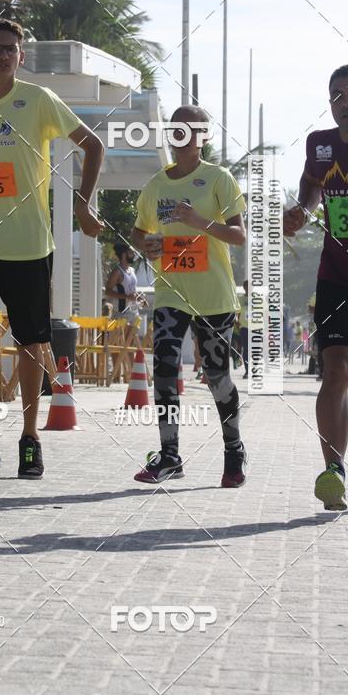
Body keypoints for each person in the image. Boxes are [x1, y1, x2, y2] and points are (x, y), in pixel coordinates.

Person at [0, 18, 104, 479]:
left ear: (21, 57)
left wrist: (83, 206)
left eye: (12, 49)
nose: (5, 55)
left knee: (31, 343)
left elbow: (93, 145)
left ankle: (30, 438)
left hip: (29, 243)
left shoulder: (40, 100)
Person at [130, 105, 247, 487]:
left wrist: (200, 222)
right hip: (171, 290)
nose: (183, 134)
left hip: (213, 294)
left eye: (191, 128)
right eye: (176, 128)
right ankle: (169, 455)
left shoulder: (219, 179)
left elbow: (238, 235)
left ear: (203, 136)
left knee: (216, 375)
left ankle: (233, 449)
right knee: (164, 365)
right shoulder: (156, 185)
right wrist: (146, 244)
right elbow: (138, 232)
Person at [284, 63, 348, 511]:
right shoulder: (319, 145)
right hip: (336, 277)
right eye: (337, 96)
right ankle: (334, 470)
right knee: (337, 372)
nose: (345, 103)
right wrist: (300, 212)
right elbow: (309, 189)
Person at [238, 279, 249, 379]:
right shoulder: (240, 299)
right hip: (244, 327)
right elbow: (236, 312)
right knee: (246, 349)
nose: (248, 288)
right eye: (246, 286)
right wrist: (236, 322)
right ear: (244, 288)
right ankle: (247, 370)